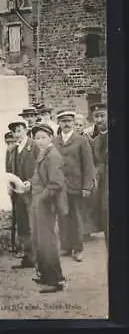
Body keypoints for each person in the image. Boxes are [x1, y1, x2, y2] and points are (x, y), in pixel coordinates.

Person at [24, 123, 67, 293]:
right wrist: (29, 184)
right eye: (37, 138)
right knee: (39, 239)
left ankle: (56, 280)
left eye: (43, 137)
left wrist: (41, 199)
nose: (40, 141)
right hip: (38, 201)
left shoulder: (53, 155)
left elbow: (56, 183)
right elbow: (38, 176)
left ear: (50, 138)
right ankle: (45, 274)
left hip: (46, 203)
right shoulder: (44, 153)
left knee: (47, 241)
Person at [54, 110, 96, 262]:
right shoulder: (54, 141)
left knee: (75, 218)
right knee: (62, 216)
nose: (66, 124)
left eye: (69, 121)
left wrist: (86, 186)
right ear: (58, 123)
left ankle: (78, 249)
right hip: (59, 187)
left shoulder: (81, 141)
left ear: (73, 123)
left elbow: (89, 166)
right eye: (63, 121)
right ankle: (65, 247)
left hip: (75, 186)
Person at [8, 117, 39, 269]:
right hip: (18, 193)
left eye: (19, 130)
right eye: (14, 131)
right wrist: (10, 185)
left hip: (33, 192)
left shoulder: (34, 146)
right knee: (22, 225)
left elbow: (41, 167)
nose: (16, 134)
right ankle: (28, 257)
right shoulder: (12, 150)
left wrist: (32, 182)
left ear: (26, 130)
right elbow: (9, 171)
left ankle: (39, 257)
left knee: (34, 223)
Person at [74, 113, 98, 237]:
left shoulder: (88, 139)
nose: (78, 127)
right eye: (76, 124)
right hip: (74, 176)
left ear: (84, 126)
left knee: (86, 204)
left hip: (85, 174)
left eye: (80, 125)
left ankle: (86, 231)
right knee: (76, 205)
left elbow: (93, 159)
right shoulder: (70, 139)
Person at [91, 103, 108, 246]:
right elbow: (96, 162)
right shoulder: (95, 140)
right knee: (104, 212)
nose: (99, 120)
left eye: (102, 116)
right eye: (96, 117)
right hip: (102, 184)